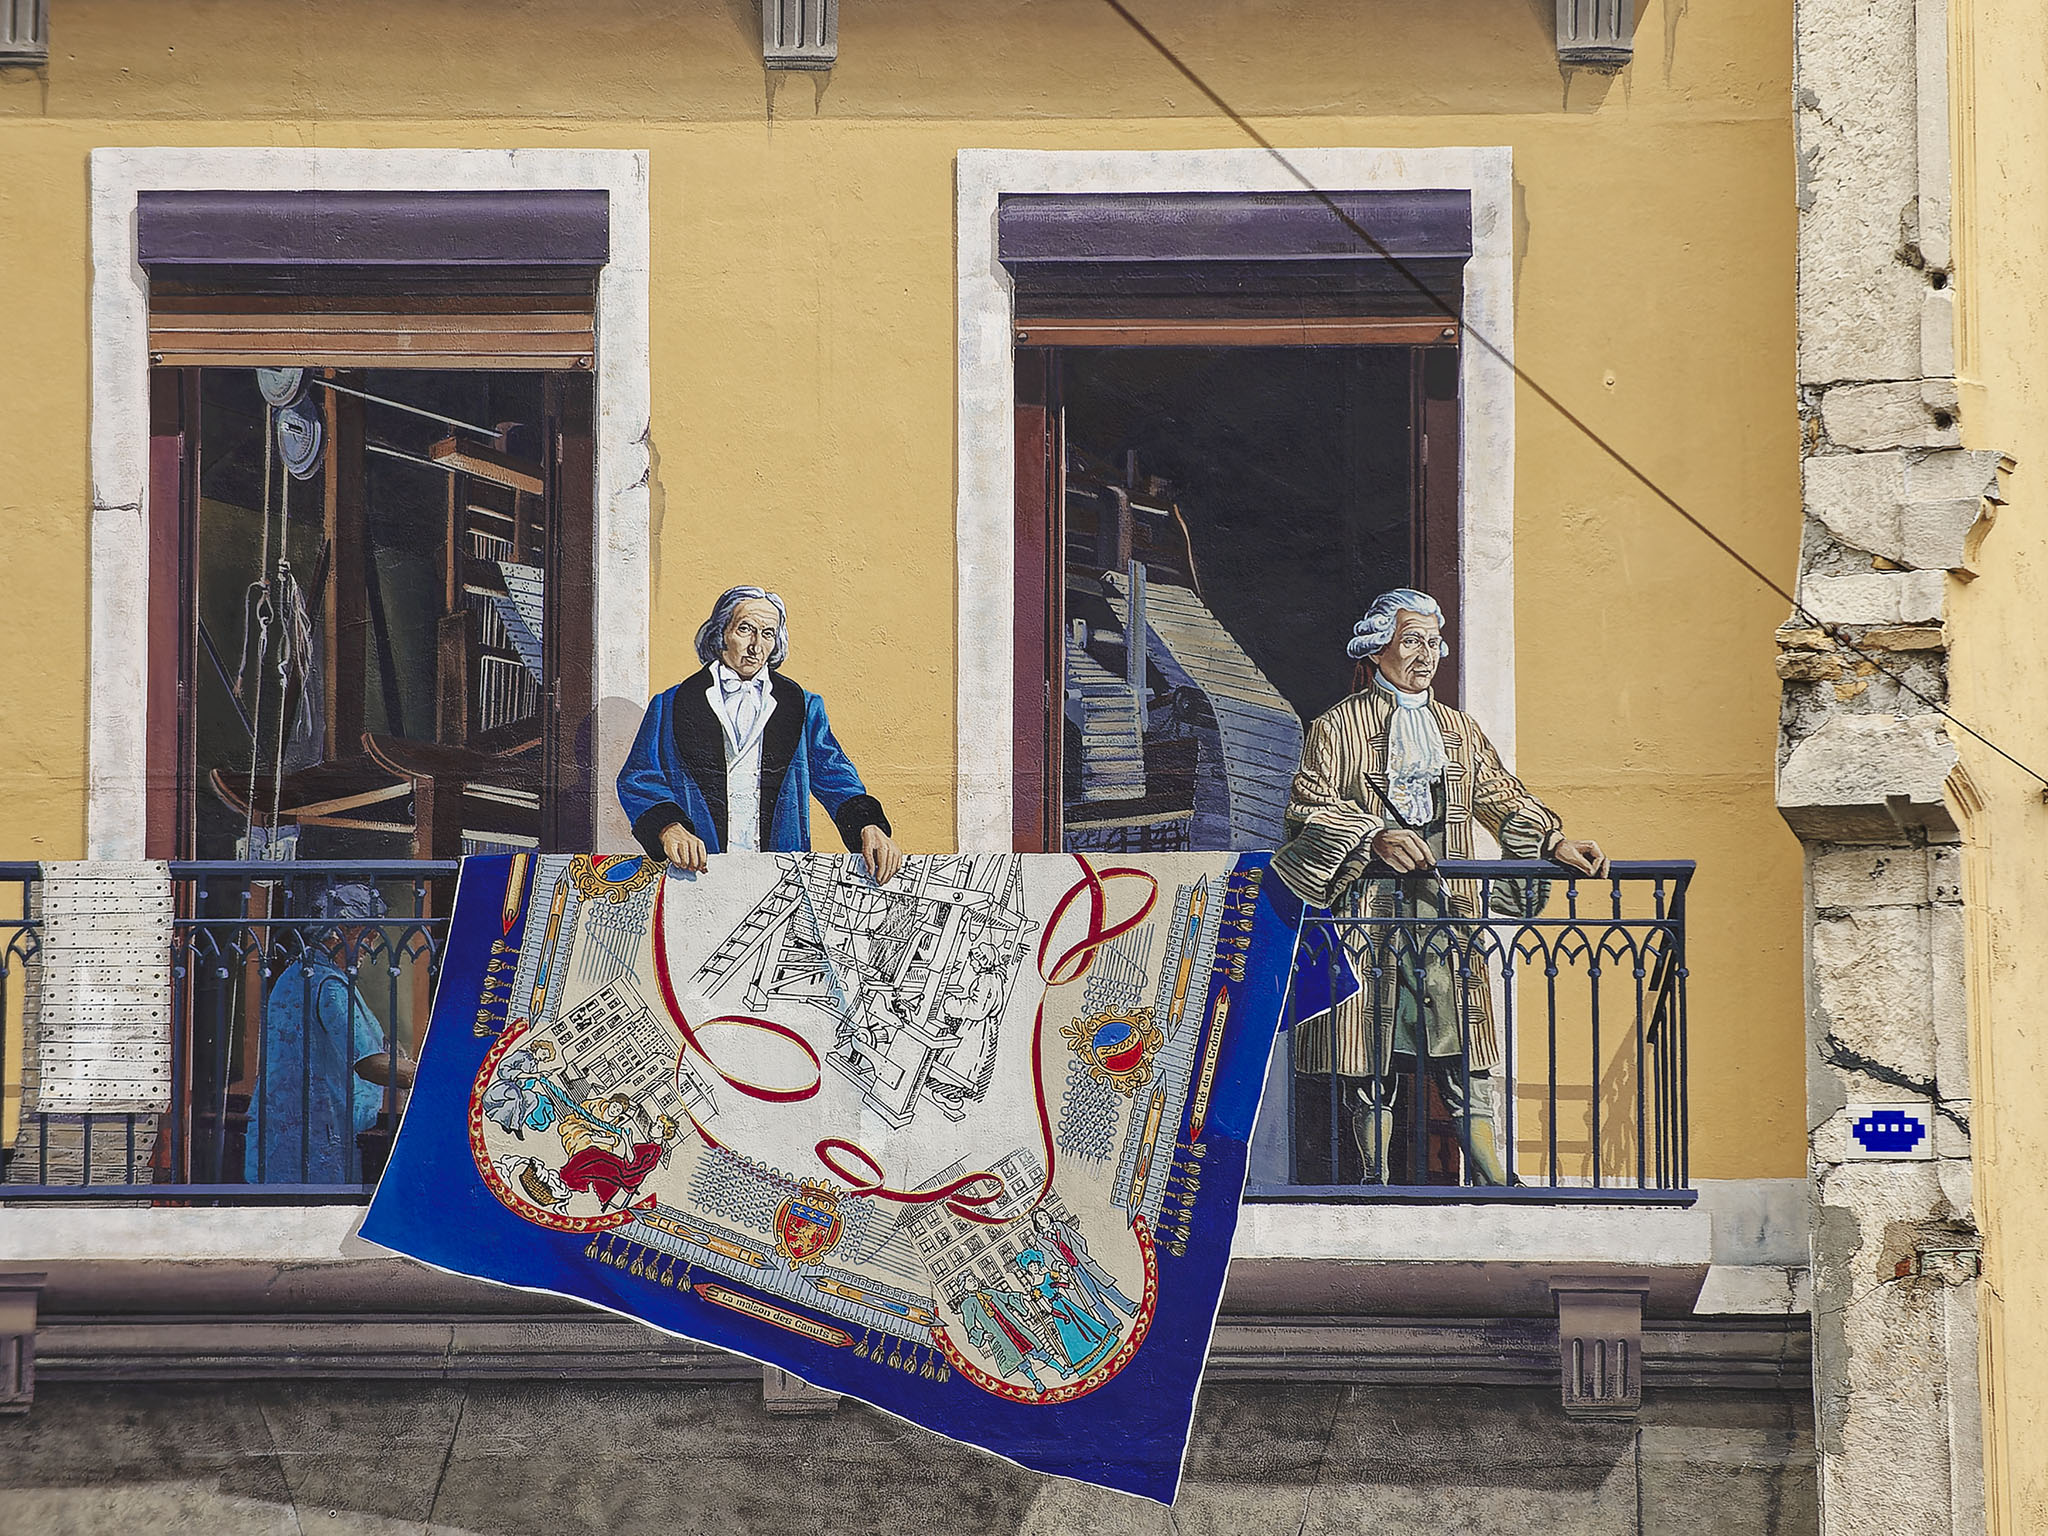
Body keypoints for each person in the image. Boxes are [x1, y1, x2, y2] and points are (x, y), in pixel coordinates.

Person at [1270, 588, 1608, 1186]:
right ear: (1378, 650)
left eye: (1432, 642)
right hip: (1367, 914)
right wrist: (1373, 836)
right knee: (1368, 1059)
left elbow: (1500, 795)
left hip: (1445, 915)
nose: (1425, 654)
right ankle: (1371, 1177)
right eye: (1410, 641)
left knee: (1462, 1056)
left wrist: (1555, 842)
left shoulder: (1458, 729)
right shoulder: (1336, 726)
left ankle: (1494, 1178)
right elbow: (1307, 806)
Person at [618, 584, 904, 884]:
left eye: (768, 633)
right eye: (745, 629)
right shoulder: (671, 704)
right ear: (721, 634)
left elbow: (834, 775)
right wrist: (669, 828)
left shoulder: (803, 705)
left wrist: (868, 826)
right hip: (697, 875)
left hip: (781, 875)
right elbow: (639, 778)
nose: (756, 646)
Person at [243, 882, 393, 1185]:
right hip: (316, 1140)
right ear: (339, 931)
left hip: (286, 1136)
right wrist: (427, 1074)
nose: (370, 947)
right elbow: (369, 1063)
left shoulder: (301, 973)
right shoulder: (329, 986)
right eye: (368, 935)